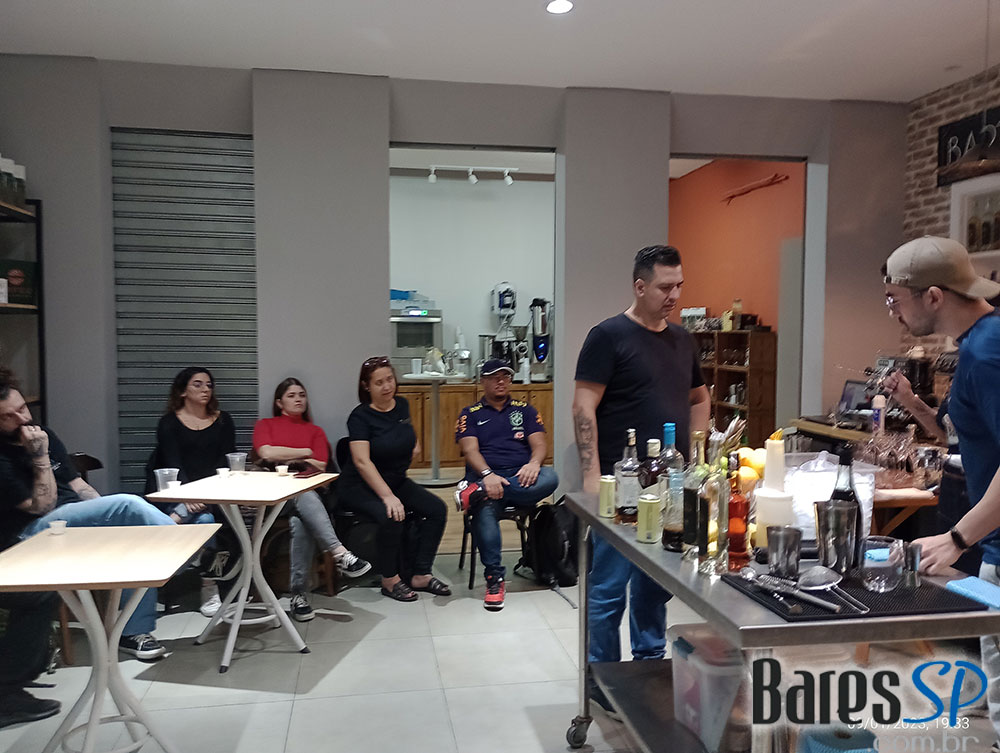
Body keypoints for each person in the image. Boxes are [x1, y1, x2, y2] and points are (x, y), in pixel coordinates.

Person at [572, 245, 710, 718]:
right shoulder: (608, 336)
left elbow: (699, 398)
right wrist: (592, 474)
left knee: (656, 585)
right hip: (622, 484)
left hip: (670, 485)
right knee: (609, 589)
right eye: (665, 287)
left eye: (679, 286)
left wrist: (699, 453)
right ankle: (602, 677)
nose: (674, 295)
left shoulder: (682, 340)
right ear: (639, 286)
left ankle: (649, 666)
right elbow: (584, 405)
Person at [881, 236, 1000, 750]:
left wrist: (956, 538)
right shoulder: (976, 346)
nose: (893, 311)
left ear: (933, 296)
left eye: (895, 299)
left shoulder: (989, 353)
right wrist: (912, 403)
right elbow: (958, 433)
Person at [0, 368, 175, 664]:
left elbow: (78, 486)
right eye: (9, 416)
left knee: (132, 533)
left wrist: (106, 516)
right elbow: (42, 506)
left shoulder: (44, 433)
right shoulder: (5, 455)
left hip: (68, 522)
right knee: (129, 505)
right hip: (30, 536)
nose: (23, 419)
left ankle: (133, 633)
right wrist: (40, 457)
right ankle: (189, 554)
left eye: (22, 408)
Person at [252, 377, 371, 621]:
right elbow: (265, 451)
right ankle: (340, 554)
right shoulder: (266, 424)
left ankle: (298, 595)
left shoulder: (315, 431)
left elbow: (320, 465)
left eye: (302, 395)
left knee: (301, 519)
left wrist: (285, 457)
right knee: (301, 496)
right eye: (291, 395)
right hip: (273, 499)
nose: (298, 399)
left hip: (306, 498)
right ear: (279, 402)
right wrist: (304, 453)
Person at [337, 356, 451, 602]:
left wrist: (413, 446)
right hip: (359, 485)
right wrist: (388, 496)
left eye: (389, 379)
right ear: (367, 386)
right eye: (379, 383)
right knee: (392, 516)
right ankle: (389, 580)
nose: (387, 386)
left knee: (437, 509)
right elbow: (361, 461)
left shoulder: (401, 405)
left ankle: (421, 574)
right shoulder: (360, 417)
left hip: (395, 479)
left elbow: (409, 436)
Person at [455, 359, 559, 611]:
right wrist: (488, 475)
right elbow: (470, 450)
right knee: (485, 513)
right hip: (486, 475)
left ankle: (477, 493)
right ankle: (494, 578)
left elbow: (540, 444)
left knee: (551, 477)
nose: (501, 381)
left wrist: (534, 463)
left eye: (505, 376)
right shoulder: (470, 413)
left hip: (521, 478)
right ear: (483, 381)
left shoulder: (526, 410)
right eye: (494, 377)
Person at [145, 366, 236, 617]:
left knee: (206, 515)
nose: (205, 389)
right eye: (198, 384)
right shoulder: (169, 423)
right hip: (176, 492)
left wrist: (203, 495)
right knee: (204, 520)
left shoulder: (223, 420)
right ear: (183, 391)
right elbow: (173, 463)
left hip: (214, 492)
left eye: (209, 385)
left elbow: (225, 462)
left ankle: (171, 527)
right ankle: (209, 585)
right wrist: (188, 497)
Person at [882, 369, 979, 574]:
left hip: (982, 505)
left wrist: (957, 540)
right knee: (953, 583)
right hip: (955, 498)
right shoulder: (968, 364)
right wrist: (908, 399)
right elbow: (950, 434)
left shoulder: (986, 361)